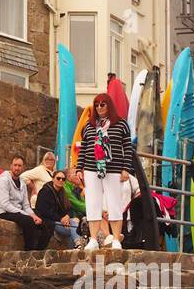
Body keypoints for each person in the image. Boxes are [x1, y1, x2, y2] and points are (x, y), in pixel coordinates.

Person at [76, 93, 134, 251]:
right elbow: (84, 149)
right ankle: (93, 239)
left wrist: (126, 169)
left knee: (115, 203)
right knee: (92, 204)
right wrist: (78, 169)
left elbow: (128, 149)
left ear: (109, 105)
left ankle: (116, 239)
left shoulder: (121, 124)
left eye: (103, 104)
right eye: (97, 105)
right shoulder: (89, 125)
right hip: (90, 169)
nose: (100, 107)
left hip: (114, 169)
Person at [0, 156, 46, 250]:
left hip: (18, 211)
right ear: (11, 166)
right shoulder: (3, 180)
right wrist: (29, 216)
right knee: (29, 221)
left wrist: (34, 215)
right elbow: (5, 205)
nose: (17, 168)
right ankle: (29, 251)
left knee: (43, 220)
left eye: (19, 166)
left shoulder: (22, 182)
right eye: (15, 165)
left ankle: (39, 250)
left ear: (23, 168)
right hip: (3, 212)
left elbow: (26, 205)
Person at [35, 170, 80, 248]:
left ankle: (73, 250)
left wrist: (67, 217)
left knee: (74, 226)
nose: (61, 180)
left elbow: (70, 209)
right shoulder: (45, 191)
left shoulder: (63, 193)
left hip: (62, 222)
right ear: (53, 179)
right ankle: (78, 244)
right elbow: (43, 211)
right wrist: (60, 219)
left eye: (63, 179)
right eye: (58, 178)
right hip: (50, 223)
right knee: (76, 229)